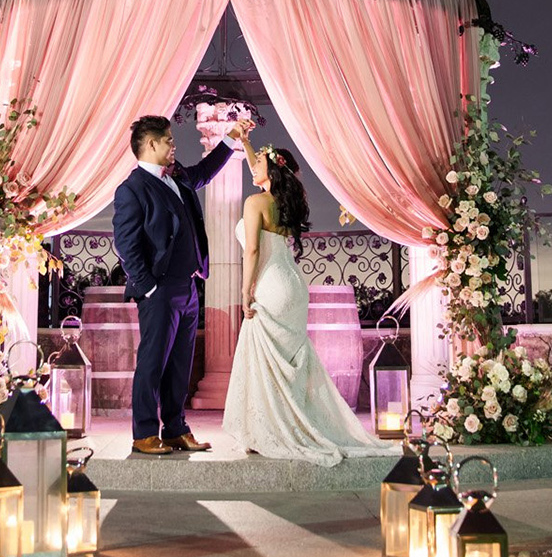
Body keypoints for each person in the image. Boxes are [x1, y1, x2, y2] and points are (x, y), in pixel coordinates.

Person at [223, 132, 397, 465]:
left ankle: (273, 428)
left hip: (269, 285)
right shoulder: (283, 201)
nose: (251, 168)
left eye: (257, 163)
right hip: (293, 287)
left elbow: (254, 251)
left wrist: (245, 291)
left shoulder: (253, 203)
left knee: (267, 360)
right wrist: (246, 143)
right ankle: (291, 422)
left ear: (271, 171)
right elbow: (261, 169)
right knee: (289, 359)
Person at [111, 113, 247, 456]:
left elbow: (204, 173)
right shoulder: (131, 189)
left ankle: (175, 429)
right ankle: (144, 433)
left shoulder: (178, 176)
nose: (174, 145)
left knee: (180, 365)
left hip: (188, 288)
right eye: (169, 140)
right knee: (153, 362)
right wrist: (149, 287)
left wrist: (231, 138)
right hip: (159, 290)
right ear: (152, 144)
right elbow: (127, 245)